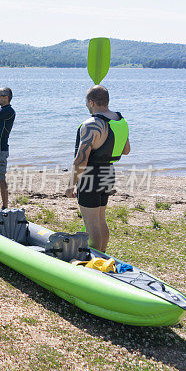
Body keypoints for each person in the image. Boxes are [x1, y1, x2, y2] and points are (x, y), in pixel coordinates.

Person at [65, 85, 130, 252]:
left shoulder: (92, 124)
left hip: (90, 176)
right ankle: (102, 258)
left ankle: (95, 266)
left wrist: (71, 185)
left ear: (92, 102)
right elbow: (126, 150)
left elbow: (81, 159)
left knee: (91, 225)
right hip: (108, 173)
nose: (87, 106)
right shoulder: (120, 121)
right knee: (100, 220)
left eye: (87, 103)